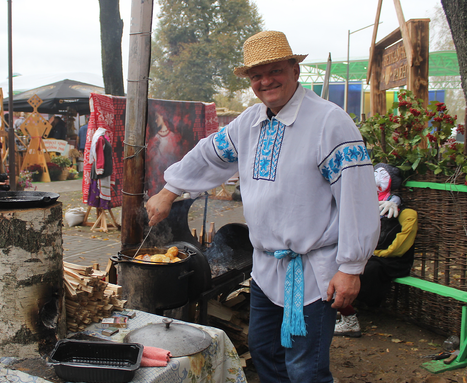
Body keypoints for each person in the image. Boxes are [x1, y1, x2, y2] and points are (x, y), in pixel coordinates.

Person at [145, 31, 379, 382]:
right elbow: (210, 153)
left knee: (306, 370)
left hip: (313, 273)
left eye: (274, 71)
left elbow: (358, 197)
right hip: (266, 271)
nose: (266, 81)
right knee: (266, 354)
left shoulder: (329, 122)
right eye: (257, 75)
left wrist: (351, 266)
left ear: (295, 71)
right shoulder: (250, 123)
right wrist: (169, 190)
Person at [334, 163, 418, 337]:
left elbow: (402, 244)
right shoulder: (370, 204)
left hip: (392, 260)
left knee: (366, 270)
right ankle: (344, 309)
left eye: (382, 174)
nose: (376, 177)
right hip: (373, 255)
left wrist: (380, 253)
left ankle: (351, 315)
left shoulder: (405, 213)